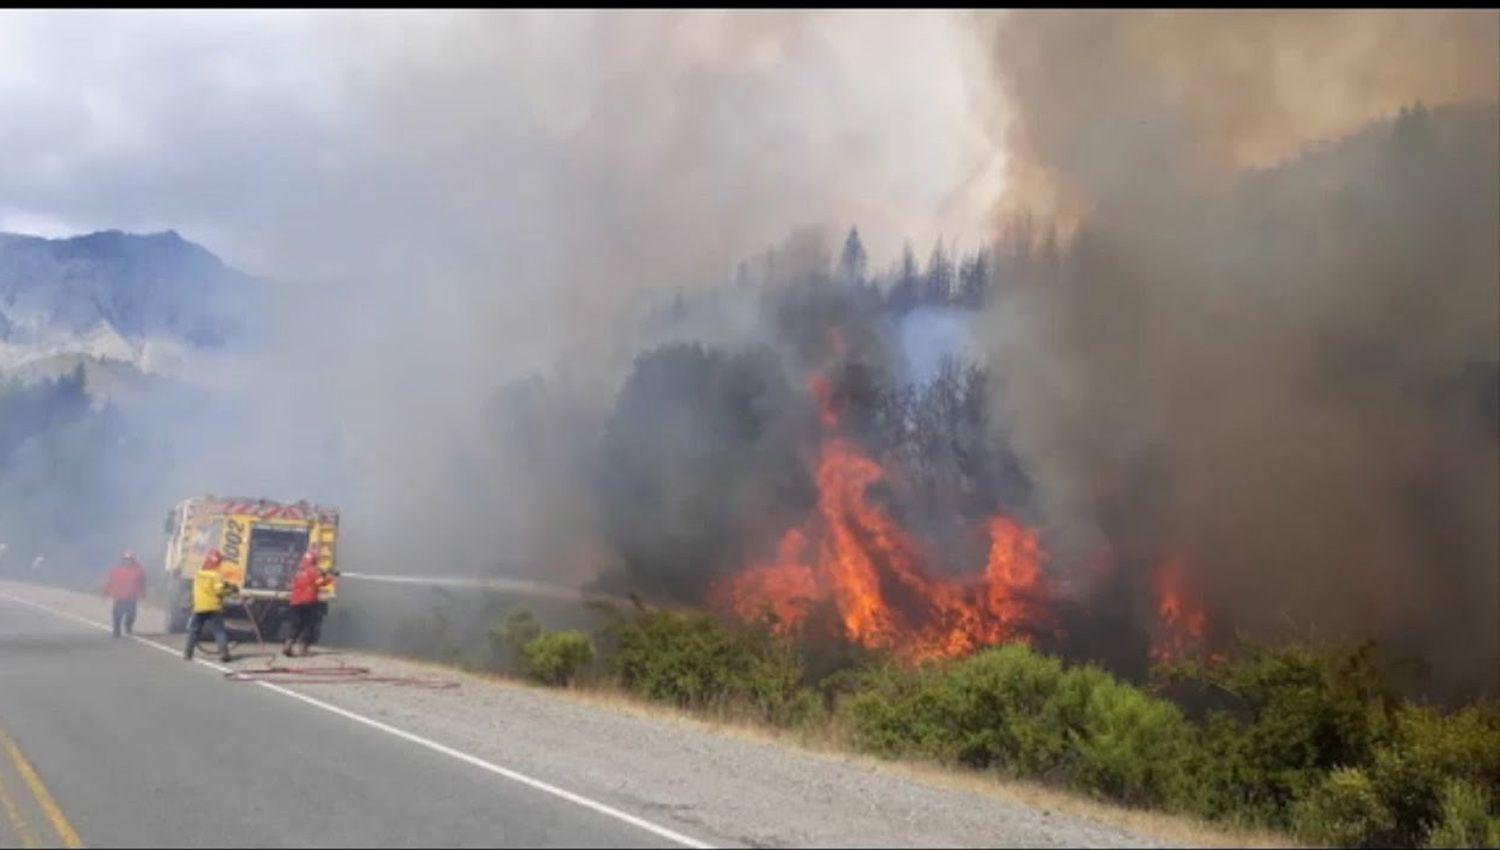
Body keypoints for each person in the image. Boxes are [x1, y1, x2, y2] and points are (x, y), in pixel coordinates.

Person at [185, 550, 236, 663]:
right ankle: (224, 654)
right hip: (213, 608)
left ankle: (188, 653)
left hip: (199, 607)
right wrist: (230, 589)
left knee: (194, 631)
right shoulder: (216, 575)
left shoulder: (198, 574)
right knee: (219, 631)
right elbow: (219, 590)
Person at [283, 546, 333, 657]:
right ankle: (303, 649)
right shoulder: (313, 571)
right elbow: (319, 582)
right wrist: (329, 577)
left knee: (296, 625)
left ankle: (288, 645)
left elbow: (292, 584)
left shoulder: (298, 571)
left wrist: (324, 573)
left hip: (295, 602)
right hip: (309, 601)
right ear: (314, 560)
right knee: (309, 625)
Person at [102, 550, 148, 637]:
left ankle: (128, 627)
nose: (128, 561)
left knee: (131, 615)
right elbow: (110, 582)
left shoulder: (139, 570)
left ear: (133, 560)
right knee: (117, 614)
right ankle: (116, 630)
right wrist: (106, 593)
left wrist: (143, 595)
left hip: (132, 597)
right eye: (126, 559)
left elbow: (143, 583)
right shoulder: (117, 570)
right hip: (119, 597)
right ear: (123, 560)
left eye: (130, 559)